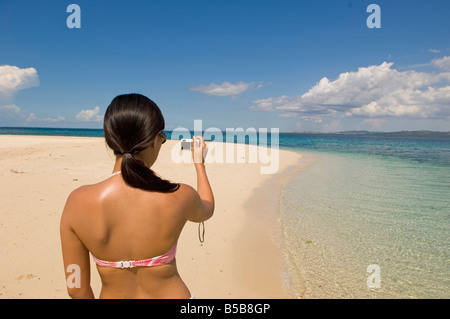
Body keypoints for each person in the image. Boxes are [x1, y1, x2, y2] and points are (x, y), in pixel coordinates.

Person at [60, 93, 214, 299]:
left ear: (110, 140)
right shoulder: (179, 195)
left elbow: (75, 286)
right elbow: (207, 209)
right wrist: (199, 165)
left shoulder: (77, 202)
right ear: (153, 141)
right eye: (163, 137)